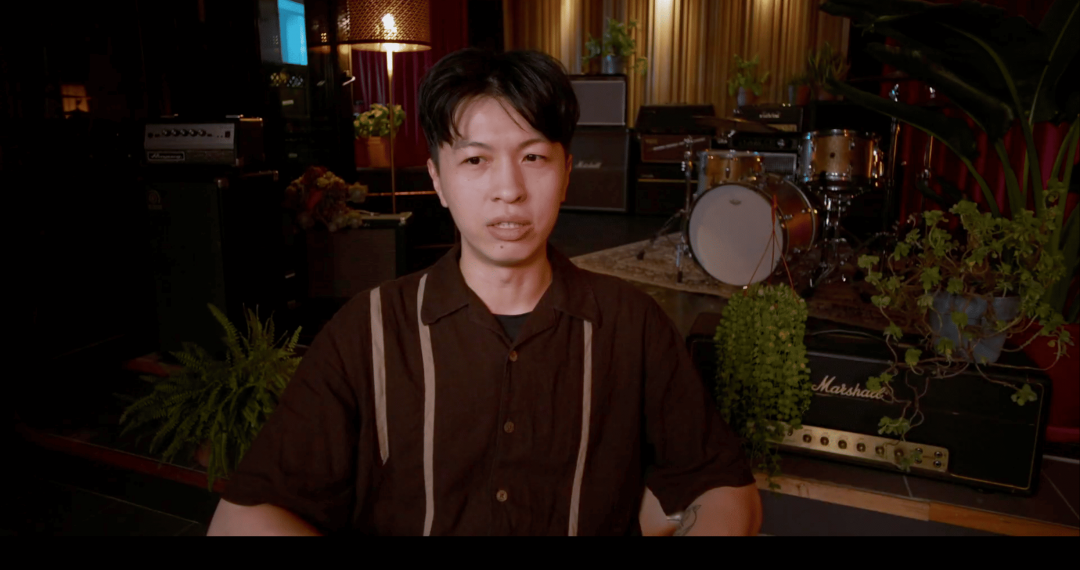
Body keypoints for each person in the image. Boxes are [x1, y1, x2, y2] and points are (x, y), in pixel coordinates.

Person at [207, 49, 762, 536]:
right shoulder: (368, 329)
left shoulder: (632, 324)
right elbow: (242, 518)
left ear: (567, 173)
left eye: (533, 158)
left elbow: (724, 487)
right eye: (476, 160)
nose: (508, 190)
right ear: (438, 180)